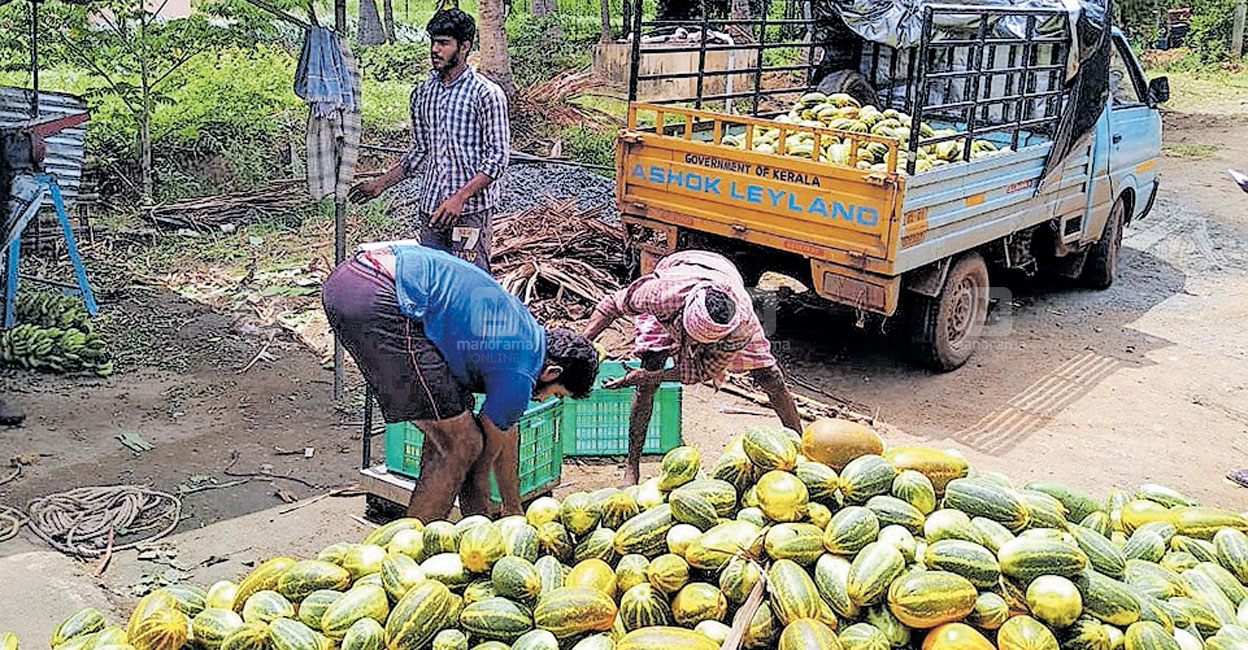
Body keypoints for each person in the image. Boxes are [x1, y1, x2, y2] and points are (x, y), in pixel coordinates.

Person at [322, 242, 598, 519]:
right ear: (552, 373)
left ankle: (420, 531)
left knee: (453, 419)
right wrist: (480, 524)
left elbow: (504, 429)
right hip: (377, 295)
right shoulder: (521, 373)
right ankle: (412, 551)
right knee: (462, 444)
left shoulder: (527, 336)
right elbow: (478, 465)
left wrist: (512, 506)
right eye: (556, 394)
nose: (544, 398)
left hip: (355, 275)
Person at [581, 249, 802, 484]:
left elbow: (700, 371)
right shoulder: (662, 294)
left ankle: (802, 450)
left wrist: (651, 376)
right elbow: (611, 305)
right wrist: (580, 344)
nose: (695, 347)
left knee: (770, 376)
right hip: (681, 269)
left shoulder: (739, 328)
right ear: (683, 317)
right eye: (693, 339)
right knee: (649, 372)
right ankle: (631, 466)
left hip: (723, 276)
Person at [348, 9, 509, 273]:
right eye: (433, 42)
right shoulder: (423, 94)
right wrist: (380, 185)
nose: (435, 49)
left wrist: (460, 197)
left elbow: (497, 158)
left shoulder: (486, 94)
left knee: (469, 282)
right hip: (432, 210)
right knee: (433, 282)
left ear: (464, 47)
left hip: (469, 213)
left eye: (444, 43)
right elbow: (420, 153)